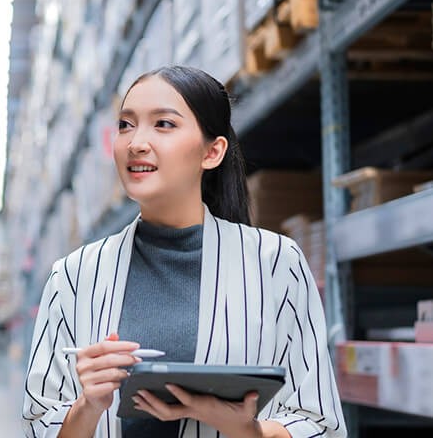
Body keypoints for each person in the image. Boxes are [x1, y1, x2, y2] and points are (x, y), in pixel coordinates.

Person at [21, 65, 345, 438]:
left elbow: (320, 425)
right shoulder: (74, 276)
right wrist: (87, 406)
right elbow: (39, 424)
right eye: (126, 125)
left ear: (212, 152)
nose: (136, 142)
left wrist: (246, 430)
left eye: (163, 124)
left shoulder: (276, 263)